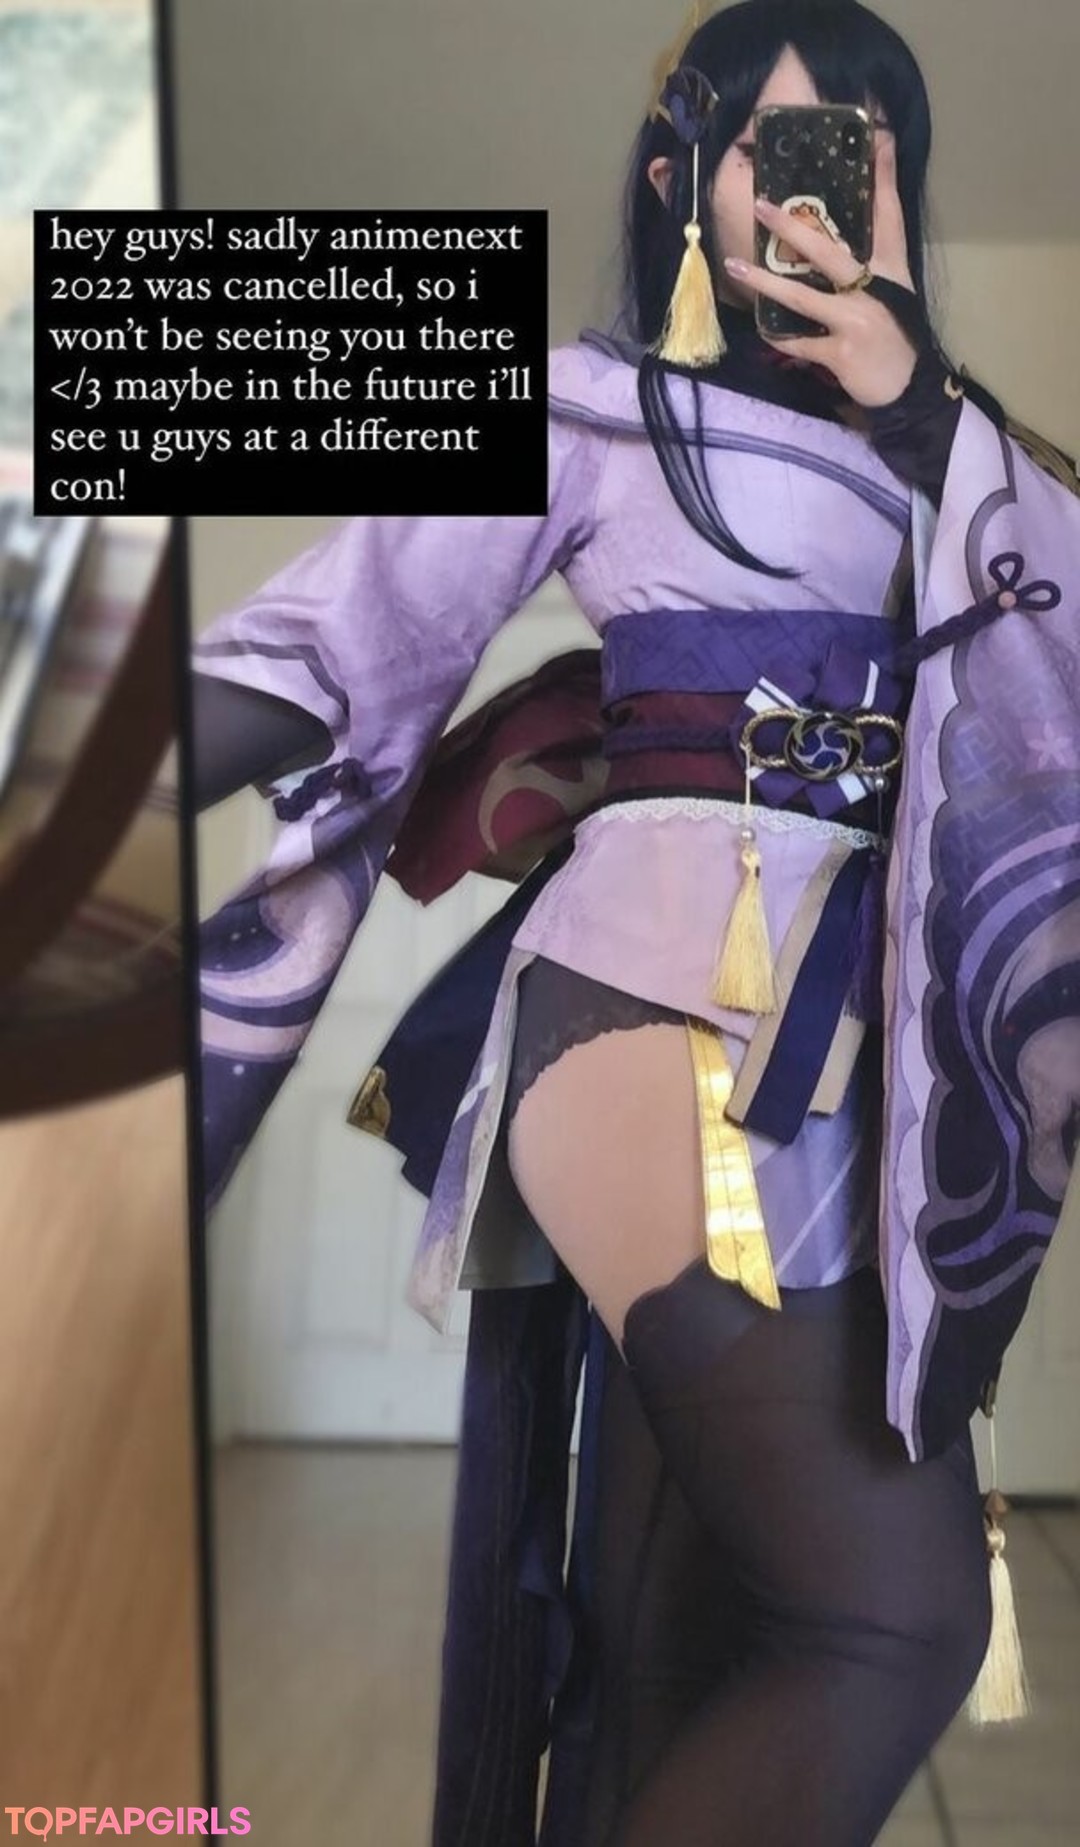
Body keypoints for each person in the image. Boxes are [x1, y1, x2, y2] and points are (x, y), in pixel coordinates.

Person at [191, 4, 1080, 1842]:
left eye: (864, 144)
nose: (820, 181)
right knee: (895, 1618)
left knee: (694, 1638)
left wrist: (924, 408)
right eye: (775, 143)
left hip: (873, 1056)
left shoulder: (968, 455)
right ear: (683, 178)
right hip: (667, 1004)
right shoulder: (595, 404)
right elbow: (329, 644)